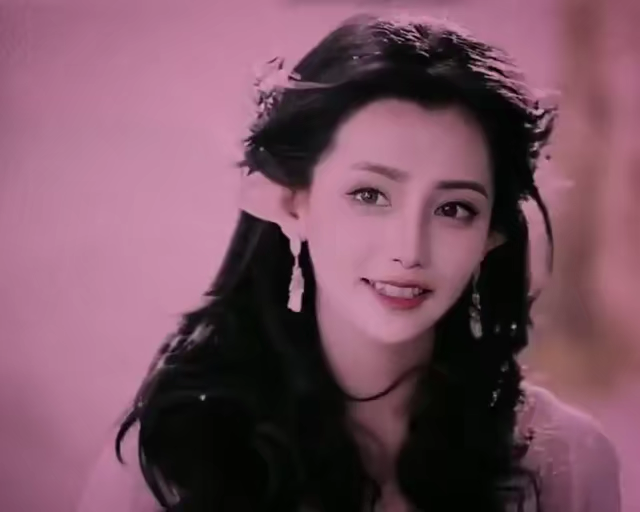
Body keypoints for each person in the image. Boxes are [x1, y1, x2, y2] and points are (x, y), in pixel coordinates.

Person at [77, 13, 622, 512]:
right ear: (293, 203)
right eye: (369, 195)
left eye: (454, 208)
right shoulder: (175, 460)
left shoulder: (565, 463)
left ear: (491, 236)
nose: (409, 249)